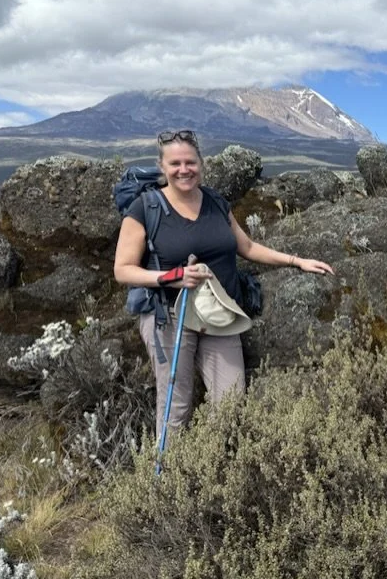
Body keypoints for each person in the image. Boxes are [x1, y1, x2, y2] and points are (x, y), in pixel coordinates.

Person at [114, 129, 334, 436]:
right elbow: (123, 270)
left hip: (219, 312)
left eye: (190, 162)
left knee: (231, 404)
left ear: (201, 163)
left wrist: (296, 261)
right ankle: (168, 466)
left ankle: (218, 463)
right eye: (175, 163)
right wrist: (171, 277)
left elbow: (248, 247)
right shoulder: (146, 208)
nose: (183, 169)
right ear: (162, 166)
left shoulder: (216, 202)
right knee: (176, 406)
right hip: (170, 316)